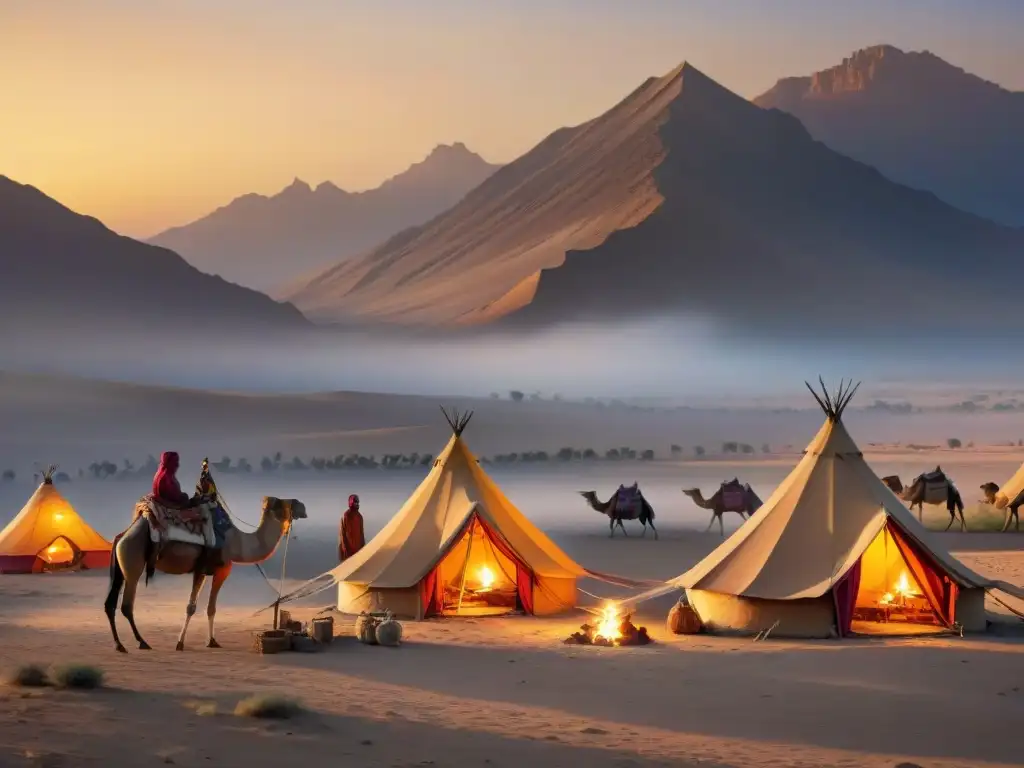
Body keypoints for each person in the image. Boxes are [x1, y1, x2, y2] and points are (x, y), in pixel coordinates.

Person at [338, 494, 365, 563]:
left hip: (357, 550)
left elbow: (361, 533)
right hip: (348, 551)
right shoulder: (346, 516)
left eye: (357, 502)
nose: (357, 504)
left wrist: (363, 548)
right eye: (355, 502)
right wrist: (344, 548)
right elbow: (342, 533)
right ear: (351, 503)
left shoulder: (359, 517)